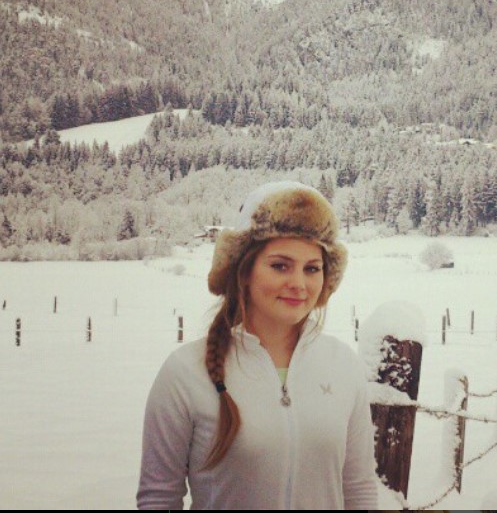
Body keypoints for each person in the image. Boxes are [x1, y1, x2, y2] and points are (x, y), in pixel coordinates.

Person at [136, 181, 378, 510]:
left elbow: (359, 489)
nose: (299, 283)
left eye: (312, 268)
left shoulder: (343, 365)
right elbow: (158, 498)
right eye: (280, 265)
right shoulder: (185, 372)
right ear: (244, 270)